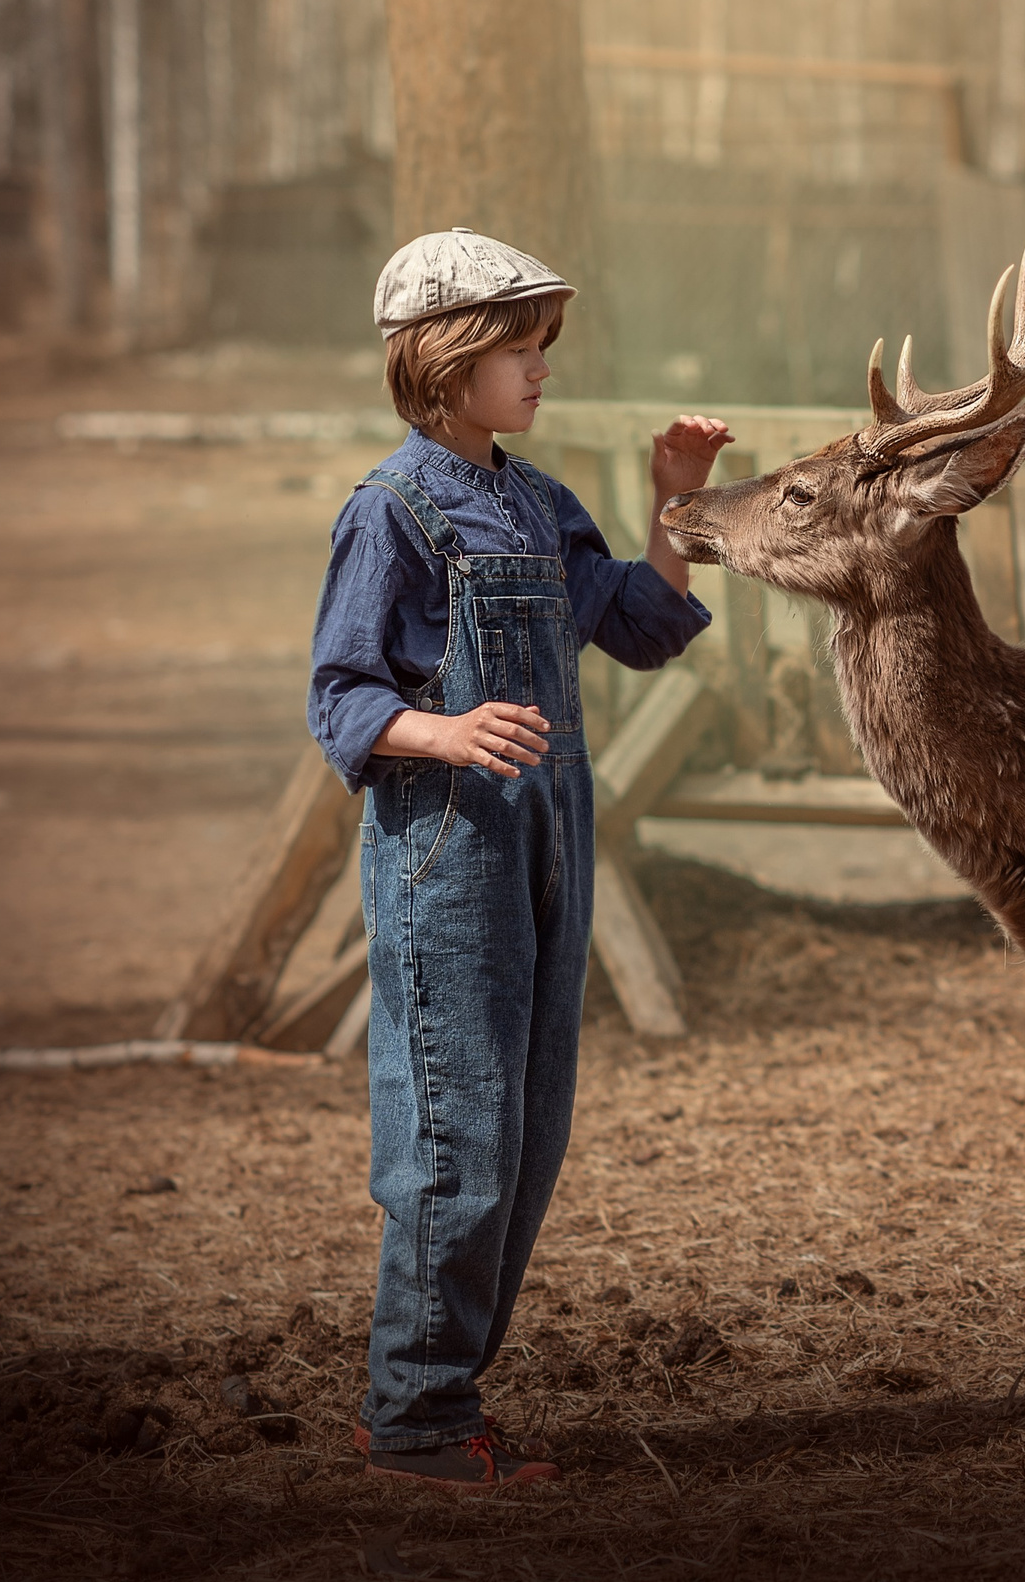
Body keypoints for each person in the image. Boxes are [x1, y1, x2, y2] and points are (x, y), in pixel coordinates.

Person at [308, 227, 732, 1488]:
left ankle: (444, 1400)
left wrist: (673, 499)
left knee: (530, 1131)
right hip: (448, 855)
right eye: (518, 345)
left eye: (544, 343)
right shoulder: (389, 513)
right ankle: (418, 1419)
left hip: (551, 849)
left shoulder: (540, 503)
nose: (541, 368)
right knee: (458, 1135)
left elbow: (643, 624)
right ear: (443, 361)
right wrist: (442, 726)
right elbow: (339, 694)